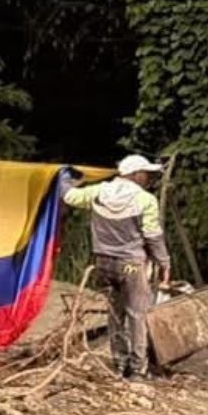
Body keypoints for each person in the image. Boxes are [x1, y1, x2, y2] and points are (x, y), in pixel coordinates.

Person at [64, 154, 172, 380]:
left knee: (115, 312)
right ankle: (137, 369)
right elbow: (152, 235)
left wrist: (63, 175)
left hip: (103, 264)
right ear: (135, 174)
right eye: (147, 173)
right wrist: (164, 261)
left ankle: (119, 362)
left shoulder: (98, 192)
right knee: (136, 314)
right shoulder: (145, 200)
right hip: (130, 266)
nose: (149, 178)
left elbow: (69, 196)